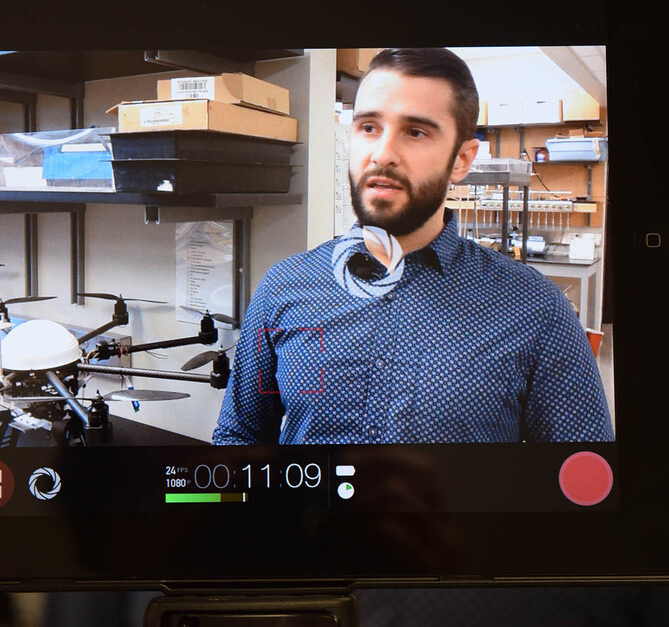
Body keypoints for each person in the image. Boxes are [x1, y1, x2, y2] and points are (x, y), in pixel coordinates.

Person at [213, 47, 613, 445]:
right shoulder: (284, 287)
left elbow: (582, 480)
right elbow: (241, 436)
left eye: (415, 132)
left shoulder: (534, 310)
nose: (383, 154)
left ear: (461, 159)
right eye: (369, 127)